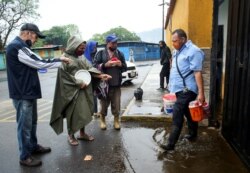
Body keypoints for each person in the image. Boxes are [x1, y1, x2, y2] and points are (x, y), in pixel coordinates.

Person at [6, 23, 71, 167]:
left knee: (32, 122)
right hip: (22, 94)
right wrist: (60, 60)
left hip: (28, 92)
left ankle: (32, 146)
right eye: (35, 36)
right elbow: (39, 63)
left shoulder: (23, 47)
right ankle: (24, 156)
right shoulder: (16, 47)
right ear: (28, 33)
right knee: (24, 126)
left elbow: (36, 62)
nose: (36, 40)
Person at [50, 36, 111, 146]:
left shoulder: (81, 57)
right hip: (71, 91)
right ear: (74, 46)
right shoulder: (64, 58)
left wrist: (101, 75)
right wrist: (78, 83)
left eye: (84, 48)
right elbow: (63, 77)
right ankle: (71, 135)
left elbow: (90, 68)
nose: (83, 50)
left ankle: (82, 134)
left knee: (84, 112)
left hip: (84, 90)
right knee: (72, 113)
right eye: (81, 48)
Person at [160, 29, 205, 151]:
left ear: (183, 40)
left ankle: (171, 144)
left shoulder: (194, 51)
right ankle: (193, 133)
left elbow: (197, 73)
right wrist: (170, 89)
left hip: (188, 88)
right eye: (172, 41)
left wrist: (201, 93)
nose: (173, 43)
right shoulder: (176, 52)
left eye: (175, 41)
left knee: (177, 111)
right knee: (187, 112)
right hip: (179, 88)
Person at [93, 34, 127, 130]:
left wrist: (120, 64)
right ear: (108, 43)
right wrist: (105, 65)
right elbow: (94, 66)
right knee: (103, 105)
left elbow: (125, 68)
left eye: (116, 42)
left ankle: (116, 120)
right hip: (104, 85)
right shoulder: (100, 54)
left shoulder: (120, 54)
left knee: (116, 105)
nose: (115, 44)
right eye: (113, 43)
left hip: (116, 84)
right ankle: (102, 120)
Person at [84, 41, 99, 116]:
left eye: (96, 47)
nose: (95, 48)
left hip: (94, 79)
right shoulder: (85, 58)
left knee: (94, 96)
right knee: (87, 96)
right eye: (94, 47)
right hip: (87, 80)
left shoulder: (94, 56)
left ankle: (95, 111)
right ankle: (88, 112)